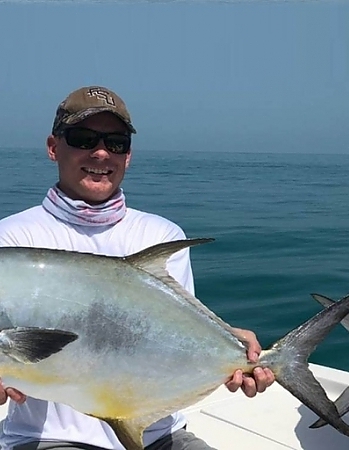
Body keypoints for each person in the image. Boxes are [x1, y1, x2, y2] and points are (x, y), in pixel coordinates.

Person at [0, 86, 275, 450]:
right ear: (53, 147)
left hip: (160, 436)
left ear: (128, 156)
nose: (100, 152)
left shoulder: (161, 234)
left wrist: (230, 351)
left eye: (116, 143)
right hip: (50, 440)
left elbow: (168, 334)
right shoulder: (11, 237)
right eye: (83, 138)